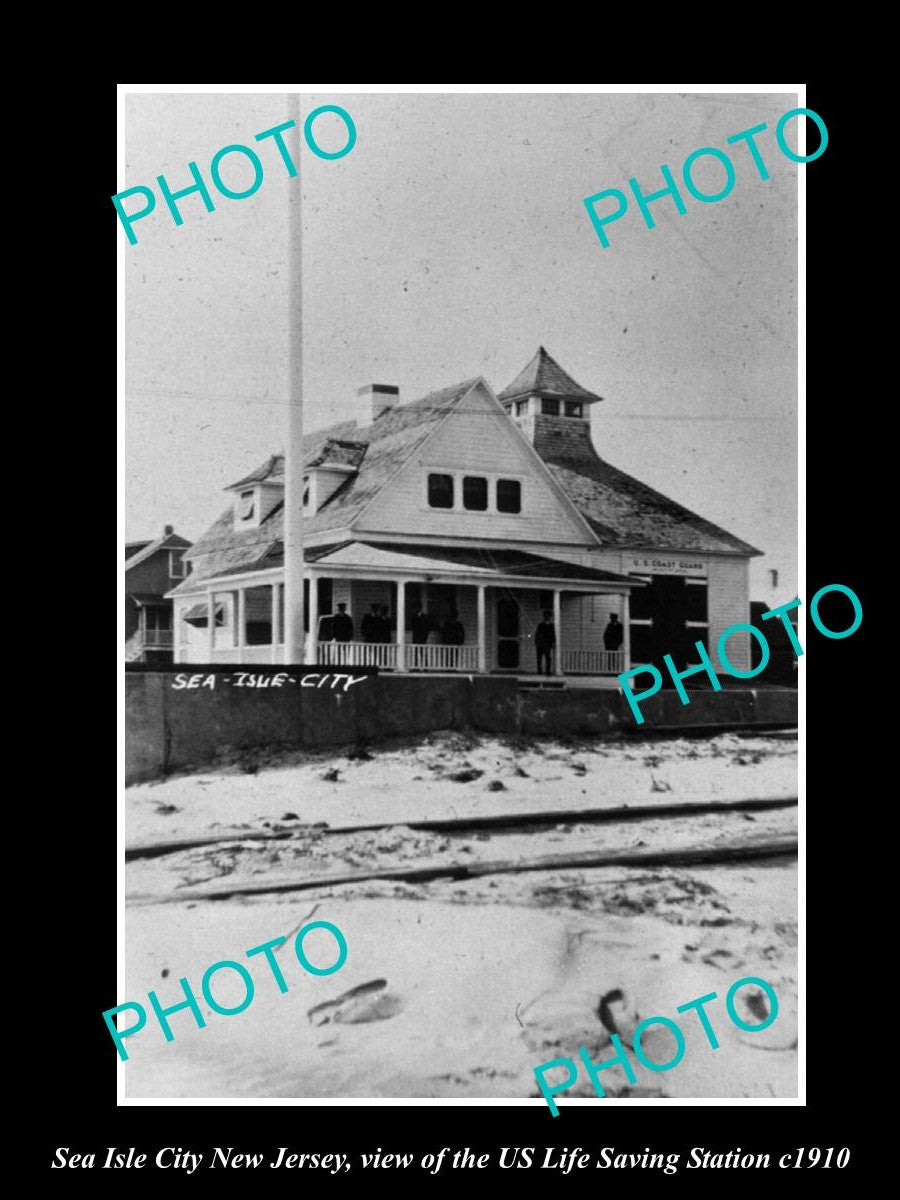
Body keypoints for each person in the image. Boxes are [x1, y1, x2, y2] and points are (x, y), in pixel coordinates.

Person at [534, 608, 556, 675]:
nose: (547, 617)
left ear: (550, 617)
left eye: (548, 616)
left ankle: (548, 671)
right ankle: (539, 671)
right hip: (540, 644)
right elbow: (537, 634)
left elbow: (553, 635)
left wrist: (553, 642)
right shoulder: (540, 625)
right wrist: (537, 642)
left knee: (548, 658)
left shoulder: (551, 626)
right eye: (545, 615)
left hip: (547, 644)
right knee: (539, 658)